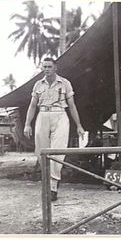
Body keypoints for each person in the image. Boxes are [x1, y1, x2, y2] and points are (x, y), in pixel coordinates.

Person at [24, 57, 85, 201]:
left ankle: (53, 187)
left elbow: (72, 106)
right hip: (43, 114)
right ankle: (47, 183)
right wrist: (27, 123)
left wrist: (79, 126)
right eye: (44, 66)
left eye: (49, 66)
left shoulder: (65, 83)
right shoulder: (38, 85)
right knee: (41, 151)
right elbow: (32, 106)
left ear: (55, 68)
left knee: (58, 150)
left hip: (60, 115)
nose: (47, 69)